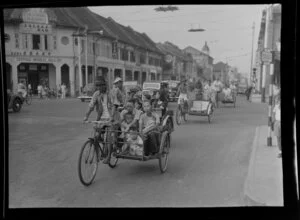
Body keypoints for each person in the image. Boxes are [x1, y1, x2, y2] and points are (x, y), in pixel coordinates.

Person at [272, 92, 281, 158]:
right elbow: (273, 114)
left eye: (277, 99)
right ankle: (280, 152)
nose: (276, 101)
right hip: (277, 122)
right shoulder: (276, 106)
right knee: (278, 138)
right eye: (275, 100)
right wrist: (273, 122)